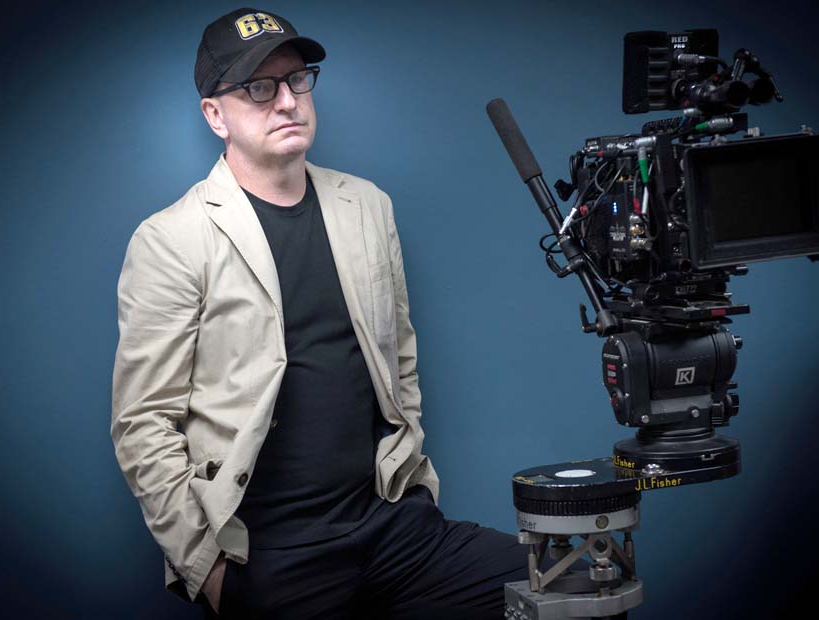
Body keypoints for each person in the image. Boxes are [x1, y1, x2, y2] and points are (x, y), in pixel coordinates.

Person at [111, 7, 536, 618]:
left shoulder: (368, 206)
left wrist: (411, 484)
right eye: (259, 88)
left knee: (567, 589)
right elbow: (144, 422)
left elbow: (399, 358)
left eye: (296, 79)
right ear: (215, 115)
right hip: (268, 552)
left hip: (392, 526)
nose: (288, 101)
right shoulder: (171, 239)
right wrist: (207, 569)